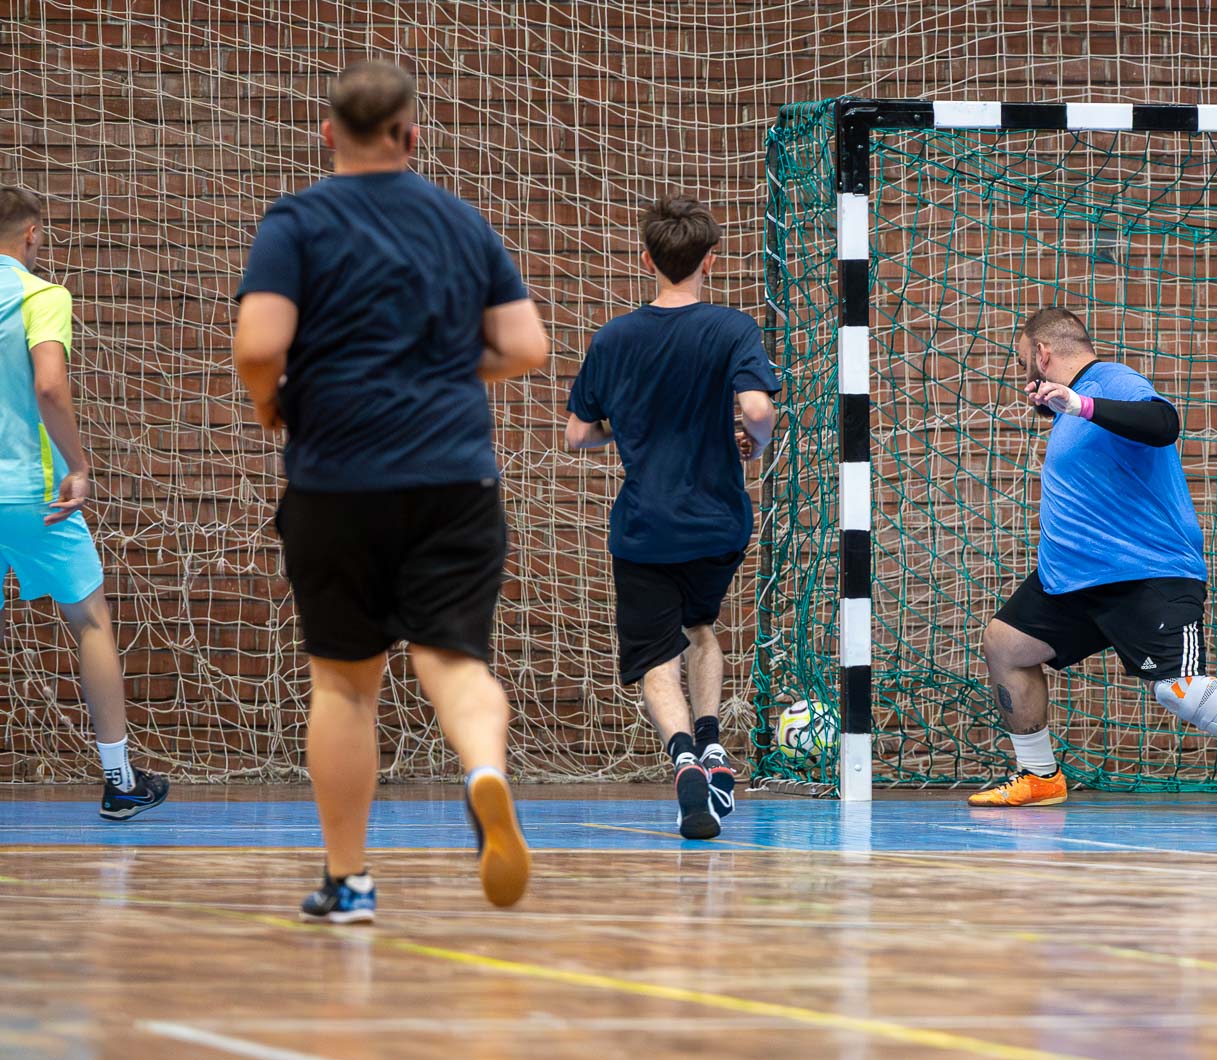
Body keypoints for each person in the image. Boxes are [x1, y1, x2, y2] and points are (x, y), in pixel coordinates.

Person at [233, 61, 549, 922]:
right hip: (453, 477)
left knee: (345, 685)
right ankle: (483, 772)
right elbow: (526, 346)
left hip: (337, 480)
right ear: (411, 135)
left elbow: (259, 344)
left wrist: (271, 404)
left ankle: (349, 881)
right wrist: (438, 369)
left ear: (327, 134)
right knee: (455, 661)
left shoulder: (297, 221)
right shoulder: (460, 220)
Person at [972, 306, 1217, 812]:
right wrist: (1064, 406)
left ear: (1042, 354)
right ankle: (1039, 776)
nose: (1026, 379)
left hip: (1145, 574)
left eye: (1024, 365)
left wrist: (1079, 402)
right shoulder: (1072, 410)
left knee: (1178, 690)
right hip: (1073, 580)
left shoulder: (1109, 381)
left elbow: (1163, 423)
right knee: (1005, 644)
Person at [565, 194, 779, 840]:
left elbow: (577, 435)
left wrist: (622, 430)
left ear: (646, 258)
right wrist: (755, 440)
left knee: (658, 657)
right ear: (709, 260)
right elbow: (758, 409)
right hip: (719, 523)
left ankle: (684, 758)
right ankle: (711, 743)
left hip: (646, 528)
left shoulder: (614, 338)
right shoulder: (732, 328)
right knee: (700, 629)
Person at [0, 187, 169, 821]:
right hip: (34, 494)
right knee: (91, 621)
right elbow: (50, 385)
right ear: (32, 234)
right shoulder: (41, 295)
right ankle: (120, 782)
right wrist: (78, 465)